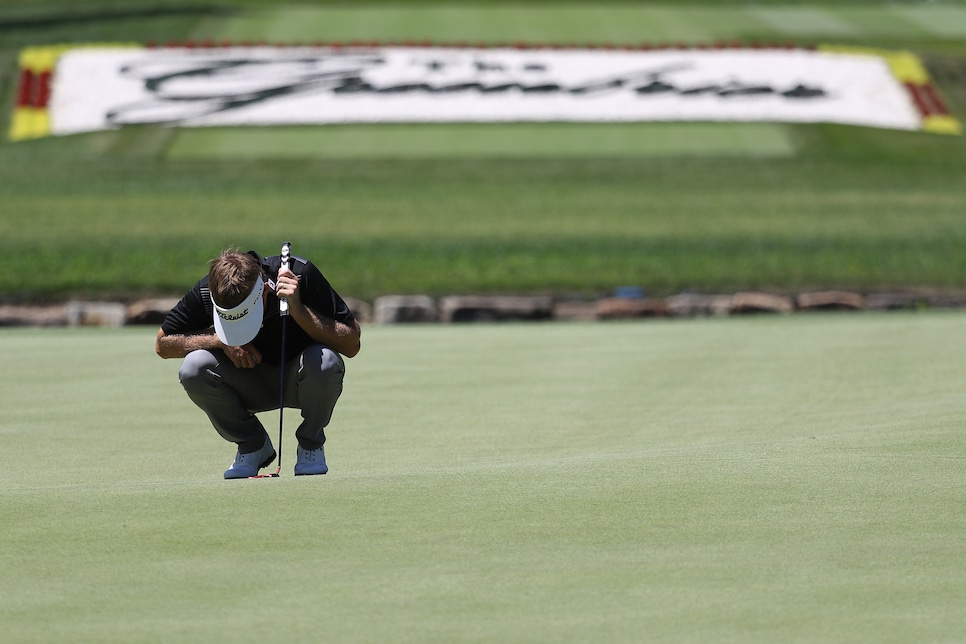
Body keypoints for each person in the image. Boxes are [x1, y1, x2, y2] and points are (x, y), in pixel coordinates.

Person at [155, 247, 361, 478]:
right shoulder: (206, 290)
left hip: (300, 382)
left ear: (264, 290)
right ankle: (253, 445)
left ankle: (310, 445)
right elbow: (163, 344)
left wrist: (299, 310)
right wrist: (221, 340)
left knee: (325, 360)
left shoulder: (300, 275)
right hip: (248, 383)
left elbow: (351, 343)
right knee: (194, 366)